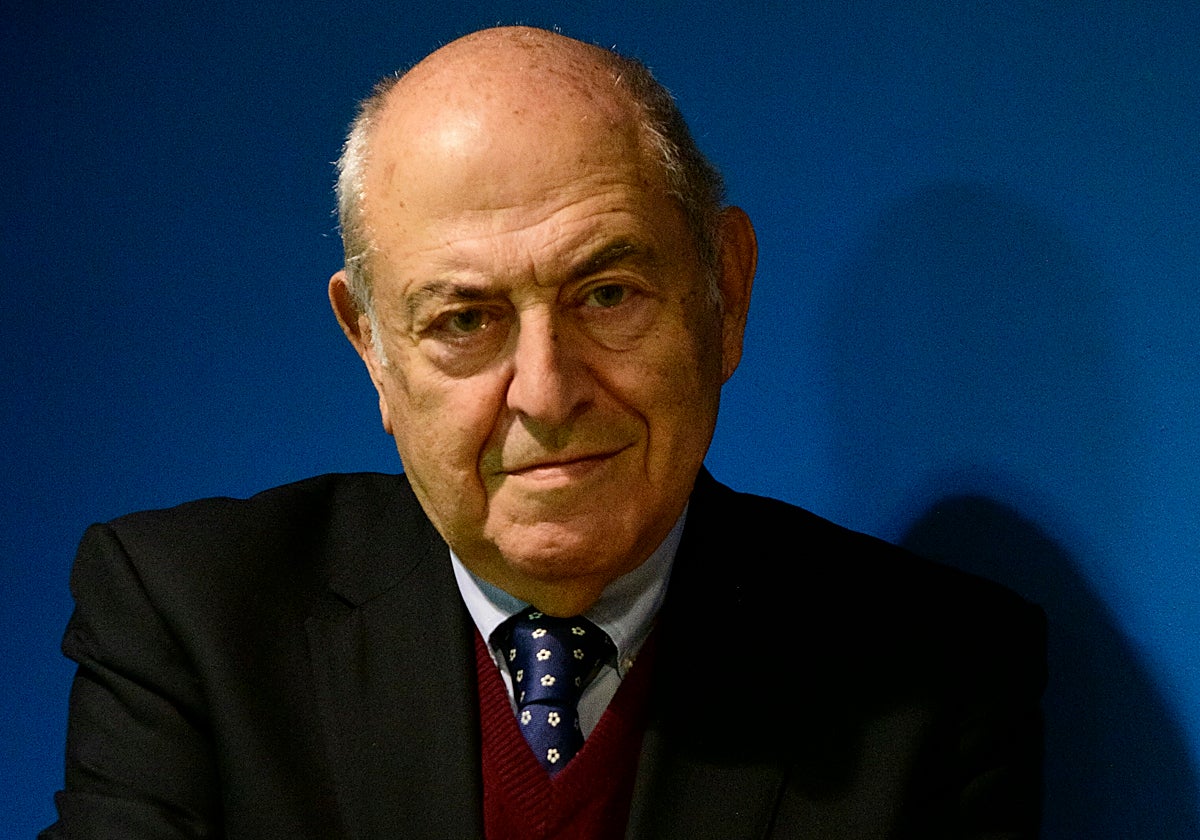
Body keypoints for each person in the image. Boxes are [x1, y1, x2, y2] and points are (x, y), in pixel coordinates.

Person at [42, 26, 1045, 840]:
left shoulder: (936, 677)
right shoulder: (190, 624)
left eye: (607, 294)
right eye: (464, 321)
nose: (547, 392)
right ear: (372, 348)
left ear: (725, 293)